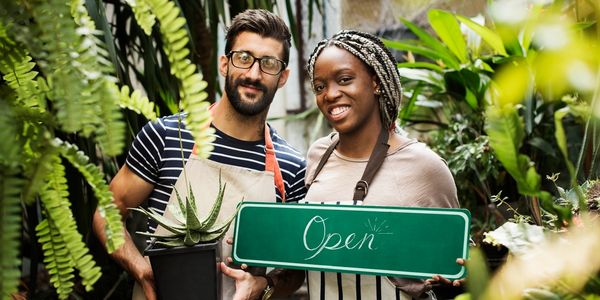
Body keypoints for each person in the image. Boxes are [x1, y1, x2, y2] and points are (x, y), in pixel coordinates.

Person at [92, 9, 307, 300]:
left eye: (268, 64)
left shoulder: (291, 167)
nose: (254, 74)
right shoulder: (166, 136)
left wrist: (263, 286)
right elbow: (108, 211)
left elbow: (295, 270)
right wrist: (140, 268)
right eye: (244, 58)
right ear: (224, 63)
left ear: (283, 77)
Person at [302, 30, 463, 299]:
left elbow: (456, 260)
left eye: (344, 80)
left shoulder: (425, 166)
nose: (329, 94)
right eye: (320, 87)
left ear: (376, 83)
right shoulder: (319, 155)